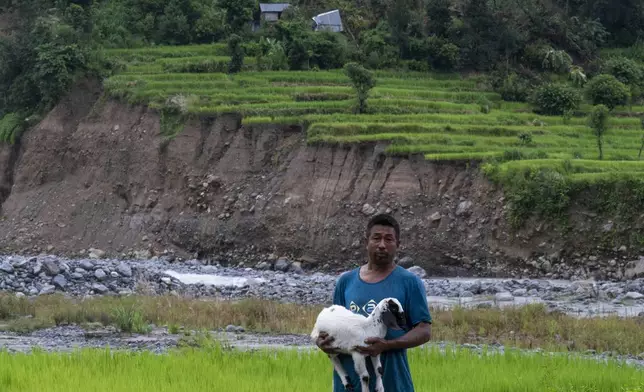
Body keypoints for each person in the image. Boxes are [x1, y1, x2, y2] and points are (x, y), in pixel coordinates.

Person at [315, 213, 432, 392]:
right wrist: (322, 343)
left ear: (398, 244)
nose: (382, 245)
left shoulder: (409, 282)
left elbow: (424, 330)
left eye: (389, 239)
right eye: (376, 238)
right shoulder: (346, 281)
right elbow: (333, 326)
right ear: (366, 242)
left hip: (392, 382)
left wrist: (387, 345)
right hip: (350, 385)